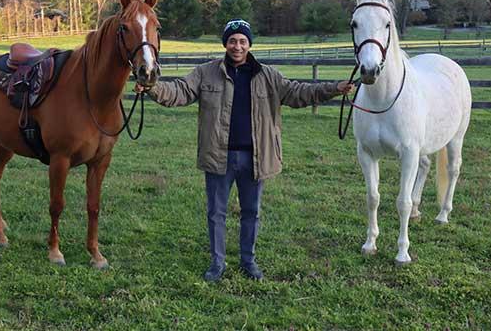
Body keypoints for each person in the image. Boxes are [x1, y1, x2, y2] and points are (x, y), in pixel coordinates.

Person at [137, 19, 354, 282]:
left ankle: (248, 260)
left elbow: (299, 92)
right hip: (219, 156)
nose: (237, 46)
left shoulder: (268, 76)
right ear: (225, 44)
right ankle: (217, 263)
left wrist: (333, 89)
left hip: (256, 158)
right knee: (216, 213)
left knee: (251, 212)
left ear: (249, 44)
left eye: (242, 41)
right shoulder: (205, 73)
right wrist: (152, 86)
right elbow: (179, 91)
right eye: (232, 41)